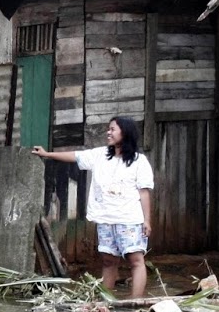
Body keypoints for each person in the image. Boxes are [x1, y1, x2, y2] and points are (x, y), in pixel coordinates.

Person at [32, 116, 154, 297]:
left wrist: (147, 221)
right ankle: (107, 301)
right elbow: (75, 156)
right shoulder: (101, 155)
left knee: (136, 260)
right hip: (105, 219)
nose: (108, 133)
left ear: (125, 133)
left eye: (113, 129)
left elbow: (144, 192)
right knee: (108, 261)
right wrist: (47, 154)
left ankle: (135, 302)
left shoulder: (139, 161)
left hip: (130, 220)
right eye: (109, 129)